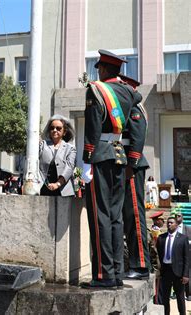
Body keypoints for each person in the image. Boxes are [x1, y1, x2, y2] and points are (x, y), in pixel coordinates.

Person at [81, 50, 139, 289]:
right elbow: (138, 99)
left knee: (100, 215)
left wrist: (87, 159)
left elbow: (93, 125)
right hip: (119, 156)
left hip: (101, 156)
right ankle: (115, 271)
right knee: (115, 218)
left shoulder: (96, 90)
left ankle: (103, 275)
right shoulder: (127, 91)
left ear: (103, 69)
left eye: (98, 69)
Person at [116, 74, 150, 281]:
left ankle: (141, 266)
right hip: (125, 165)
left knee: (134, 215)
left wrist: (131, 164)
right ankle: (133, 264)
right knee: (126, 217)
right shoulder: (128, 107)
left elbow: (137, 139)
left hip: (131, 166)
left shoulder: (135, 108)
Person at [157, 217, 189, 315]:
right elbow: (158, 254)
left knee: (180, 297)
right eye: (168, 223)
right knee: (165, 297)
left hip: (178, 272)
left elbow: (187, 258)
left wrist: (186, 275)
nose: (169, 224)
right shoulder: (161, 238)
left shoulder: (183, 238)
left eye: (171, 223)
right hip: (165, 271)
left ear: (176, 225)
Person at [39, 114, 77, 196]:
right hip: (43, 188)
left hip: (63, 190)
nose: (55, 130)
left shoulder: (70, 148)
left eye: (58, 128)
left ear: (64, 132)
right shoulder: (42, 145)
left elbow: (69, 167)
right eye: (52, 128)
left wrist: (58, 184)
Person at [149, 210, 165, 304]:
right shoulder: (156, 231)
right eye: (161, 220)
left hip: (158, 260)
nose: (163, 222)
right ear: (156, 221)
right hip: (157, 261)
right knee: (157, 284)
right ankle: (157, 302)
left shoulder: (156, 230)